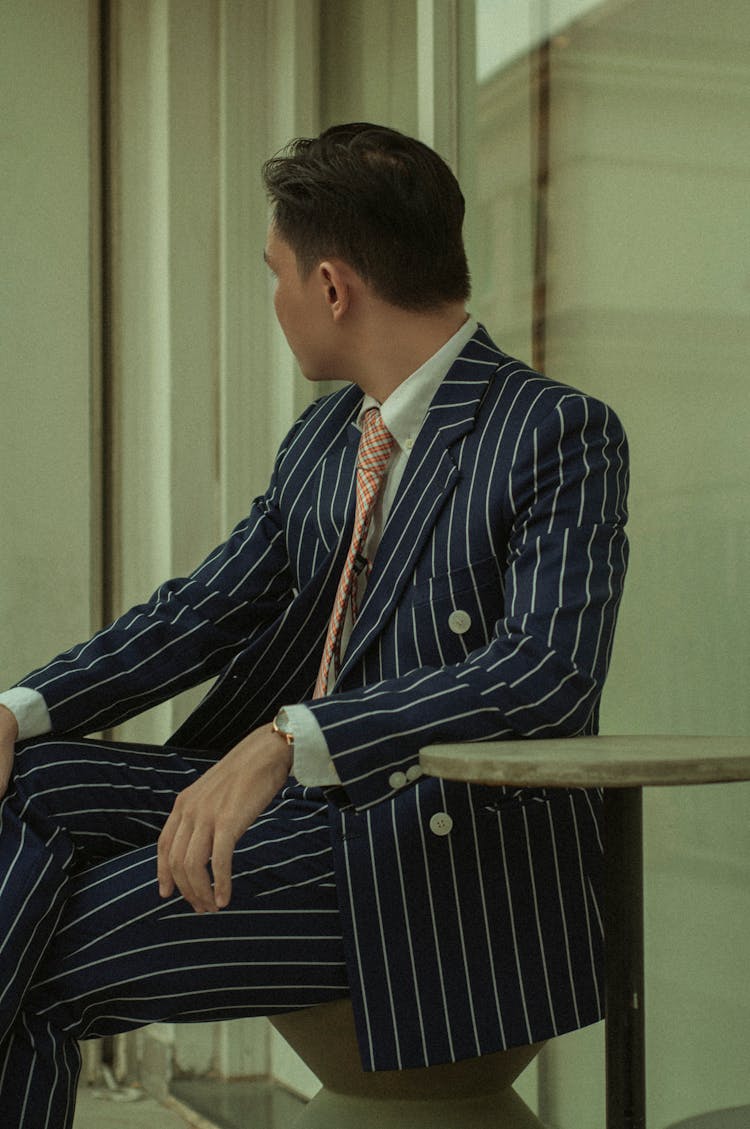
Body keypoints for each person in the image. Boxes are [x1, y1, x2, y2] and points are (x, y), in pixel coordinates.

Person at [0, 122, 629, 1127]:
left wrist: (294, 740)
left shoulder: (554, 430)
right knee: (28, 775)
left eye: (275, 274)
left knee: (40, 963)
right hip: (305, 815)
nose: (277, 299)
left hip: (419, 844)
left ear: (330, 286)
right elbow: (204, 609)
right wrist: (22, 708)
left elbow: (544, 673)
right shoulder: (334, 436)